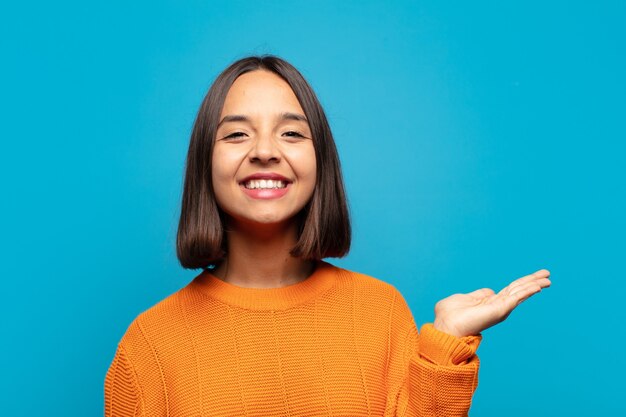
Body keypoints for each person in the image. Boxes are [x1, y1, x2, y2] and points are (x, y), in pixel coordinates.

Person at [104, 55, 551, 417]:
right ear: (206, 162)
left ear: (322, 163)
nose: (264, 151)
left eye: (292, 133)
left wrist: (445, 342)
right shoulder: (150, 344)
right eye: (237, 134)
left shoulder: (380, 312)